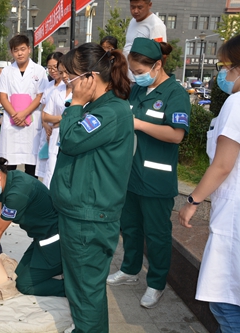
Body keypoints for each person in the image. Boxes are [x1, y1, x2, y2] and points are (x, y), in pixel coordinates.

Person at [49, 43, 133, 333]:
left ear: (89, 77)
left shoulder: (110, 112)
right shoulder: (98, 108)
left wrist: (74, 103)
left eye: (70, 77)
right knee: (83, 289)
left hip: (89, 217)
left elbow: (71, 140)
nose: (66, 83)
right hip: (82, 213)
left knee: (86, 292)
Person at [107, 38, 190, 309]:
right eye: (134, 73)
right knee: (130, 228)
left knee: (156, 234)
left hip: (156, 179)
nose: (137, 77)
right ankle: (130, 270)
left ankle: (156, 283)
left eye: (141, 73)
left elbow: (176, 135)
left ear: (157, 65)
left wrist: (139, 124)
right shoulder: (137, 92)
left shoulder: (174, 93)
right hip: (130, 175)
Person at [179, 35, 240, 333]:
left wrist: (192, 201)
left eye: (227, 68)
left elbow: (223, 165)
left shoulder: (237, 103)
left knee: (226, 303)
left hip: (235, 214)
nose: (224, 75)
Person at [0, 153, 64, 298]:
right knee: (17, 275)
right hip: (41, 238)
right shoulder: (8, 179)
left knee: (24, 285)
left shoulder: (17, 194)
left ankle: (72, 288)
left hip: (55, 240)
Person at [0, 35, 48, 177]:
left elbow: (40, 96)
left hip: (31, 121)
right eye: (16, 50)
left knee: (31, 167)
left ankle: (30, 198)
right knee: (8, 166)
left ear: (29, 49)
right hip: (11, 123)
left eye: (23, 49)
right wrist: (15, 115)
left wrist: (23, 114)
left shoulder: (39, 70)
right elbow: (3, 97)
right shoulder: (6, 72)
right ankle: (8, 198)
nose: (20, 53)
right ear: (12, 52)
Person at [41, 57, 73, 189]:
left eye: (66, 72)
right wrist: (63, 118)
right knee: (51, 169)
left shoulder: (83, 92)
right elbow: (45, 115)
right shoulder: (57, 92)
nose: (64, 76)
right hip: (56, 136)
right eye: (61, 73)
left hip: (72, 136)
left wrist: (58, 120)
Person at [36, 52, 64, 181]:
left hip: (60, 129)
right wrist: (46, 125)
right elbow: (44, 108)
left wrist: (54, 124)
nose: (52, 71)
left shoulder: (67, 85)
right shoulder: (49, 85)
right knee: (47, 168)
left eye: (55, 67)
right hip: (48, 129)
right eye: (49, 68)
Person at [123, 0, 166, 81]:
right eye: (132, 7)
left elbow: (162, 54)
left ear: (149, 5)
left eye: (140, 7)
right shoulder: (132, 21)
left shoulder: (155, 25)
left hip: (142, 79)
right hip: (128, 76)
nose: (135, 11)